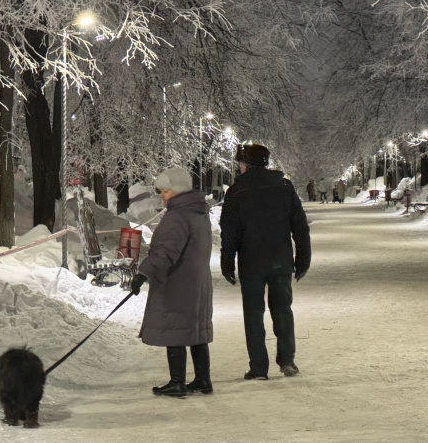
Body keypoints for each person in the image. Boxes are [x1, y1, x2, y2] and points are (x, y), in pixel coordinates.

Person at [220, 144, 311, 380]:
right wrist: (303, 259)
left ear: (245, 165)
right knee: (282, 310)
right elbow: (300, 227)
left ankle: (259, 367)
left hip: (251, 263)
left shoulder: (236, 192)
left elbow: (229, 233)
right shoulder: (284, 187)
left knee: (253, 314)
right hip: (281, 261)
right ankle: (288, 361)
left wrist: (227, 262)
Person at [129, 167, 214, 397]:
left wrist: (143, 273)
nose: (163, 195)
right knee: (195, 330)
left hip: (178, 281)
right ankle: (203, 379)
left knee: (175, 328)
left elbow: (166, 252)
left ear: (177, 191)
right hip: (197, 279)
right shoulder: (198, 211)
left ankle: (178, 382)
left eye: (166, 191)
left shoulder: (178, 216)